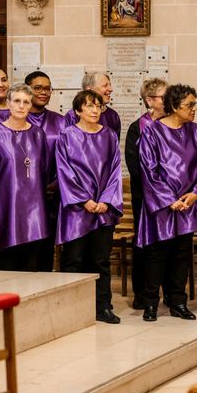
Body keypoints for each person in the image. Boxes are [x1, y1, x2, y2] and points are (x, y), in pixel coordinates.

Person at [137, 84, 197, 322]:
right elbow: (148, 170)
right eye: (189, 104)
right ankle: (151, 303)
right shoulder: (152, 132)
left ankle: (178, 301)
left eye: (195, 103)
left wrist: (195, 194)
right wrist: (169, 200)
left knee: (182, 254)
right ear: (174, 106)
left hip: (188, 204)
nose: (194, 109)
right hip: (162, 206)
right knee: (157, 254)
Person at [56, 89, 123, 324]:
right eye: (89, 106)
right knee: (73, 259)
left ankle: (103, 306)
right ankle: (70, 308)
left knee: (100, 260)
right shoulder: (66, 136)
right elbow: (64, 171)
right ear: (78, 111)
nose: (95, 110)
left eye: (98, 106)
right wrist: (84, 200)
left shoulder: (110, 136)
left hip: (103, 208)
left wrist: (105, 200)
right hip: (77, 209)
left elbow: (115, 171)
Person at [0, 84, 50, 271]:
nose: (21, 106)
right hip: (4, 208)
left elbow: (45, 170)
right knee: (5, 265)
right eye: (16, 101)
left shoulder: (38, 134)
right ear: (8, 103)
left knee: (30, 266)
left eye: (26, 102)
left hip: (34, 211)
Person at [125, 78, 168, 310]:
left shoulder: (176, 123)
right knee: (144, 244)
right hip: (146, 196)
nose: (168, 100)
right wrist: (157, 190)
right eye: (163, 96)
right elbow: (135, 165)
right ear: (150, 100)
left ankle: (170, 292)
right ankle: (142, 293)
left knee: (170, 244)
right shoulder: (137, 128)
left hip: (171, 198)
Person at [25, 71, 66, 272]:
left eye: (47, 88)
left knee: (46, 250)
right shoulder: (17, 120)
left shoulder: (60, 122)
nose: (43, 92)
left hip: (52, 194)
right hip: (24, 198)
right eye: (38, 88)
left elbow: (68, 158)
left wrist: (57, 183)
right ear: (27, 90)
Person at [65, 72, 121, 137]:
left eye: (110, 85)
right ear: (89, 90)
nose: (111, 89)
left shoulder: (113, 116)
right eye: (105, 86)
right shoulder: (72, 116)